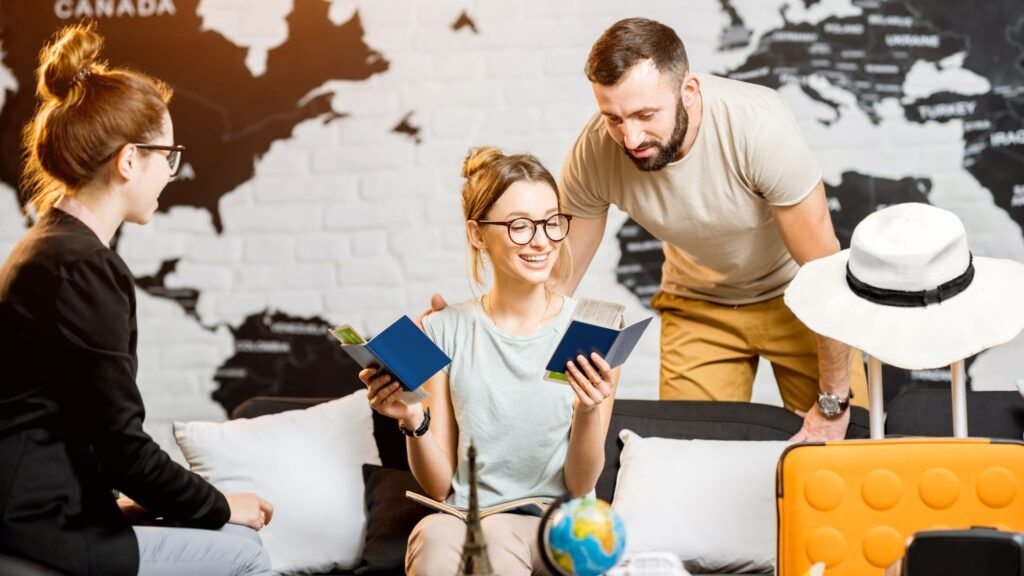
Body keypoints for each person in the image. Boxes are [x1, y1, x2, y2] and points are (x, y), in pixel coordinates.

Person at [0, 23, 273, 576]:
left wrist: (127, 503)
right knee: (246, 553)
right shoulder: (84, 266)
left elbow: (77, 428)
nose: (172, 173)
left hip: (37, 509)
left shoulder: (47, 250)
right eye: (167, 156)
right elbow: (122, 444)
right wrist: (221, 506)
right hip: (40, 529)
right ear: (129, 161)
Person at [557, 17, 869, 441]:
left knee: (849, 453)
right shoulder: (595, 151)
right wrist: (487, 337)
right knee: (689, 462)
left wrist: (834, 401)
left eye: (645, 115)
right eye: (613, 118)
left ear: (688, 92)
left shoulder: (758, 125)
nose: (630, 138)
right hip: (698, 306)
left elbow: (824, 273)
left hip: (797, 299)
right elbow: (558, 283)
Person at [362, 147, 617, 575]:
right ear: (478, 234)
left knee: (495, 535)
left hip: (559, 529)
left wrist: (589, 408)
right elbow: (440, 485)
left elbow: (581, 484)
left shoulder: (590, 329)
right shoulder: (443, 329)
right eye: (519, 226)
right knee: (432, 532)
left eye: (552, 222)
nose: (541, 240)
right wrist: (412, 419)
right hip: (464, 517)